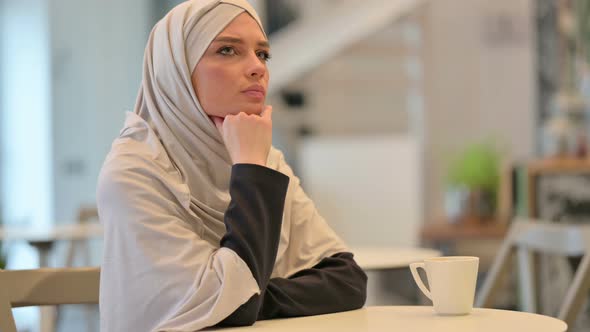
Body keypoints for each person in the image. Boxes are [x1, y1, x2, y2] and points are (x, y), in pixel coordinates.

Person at [96, 0, 367, 331]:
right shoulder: (134, 172)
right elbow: (230, 312)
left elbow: (348, 280)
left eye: (263, 54)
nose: (258, 68)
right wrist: (252, 170)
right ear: (176, 69)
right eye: (227, 50)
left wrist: (251, 299)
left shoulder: (265, 160)